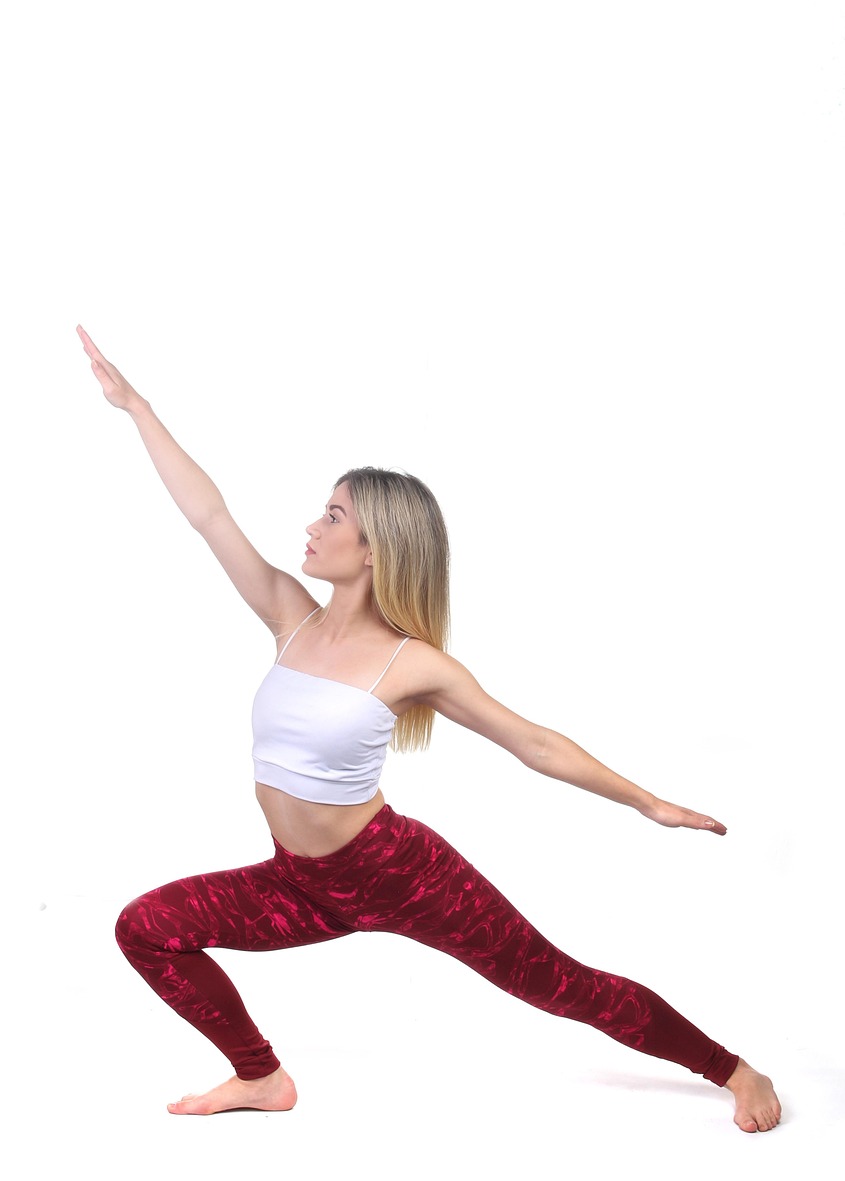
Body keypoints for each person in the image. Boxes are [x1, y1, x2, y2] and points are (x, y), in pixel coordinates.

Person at [76, 324, 781, 1133]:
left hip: (398, 873)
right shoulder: (289, 618)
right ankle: (260, 1077)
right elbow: (208, 514)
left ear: (374, 549)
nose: (311, 526)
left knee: (557, 984)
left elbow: (533, 742)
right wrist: (137, 407)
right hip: (297, 882)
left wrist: (647, 802)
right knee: (147, 928)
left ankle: (733, 1069)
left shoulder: (413, 663)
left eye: (332, 514)